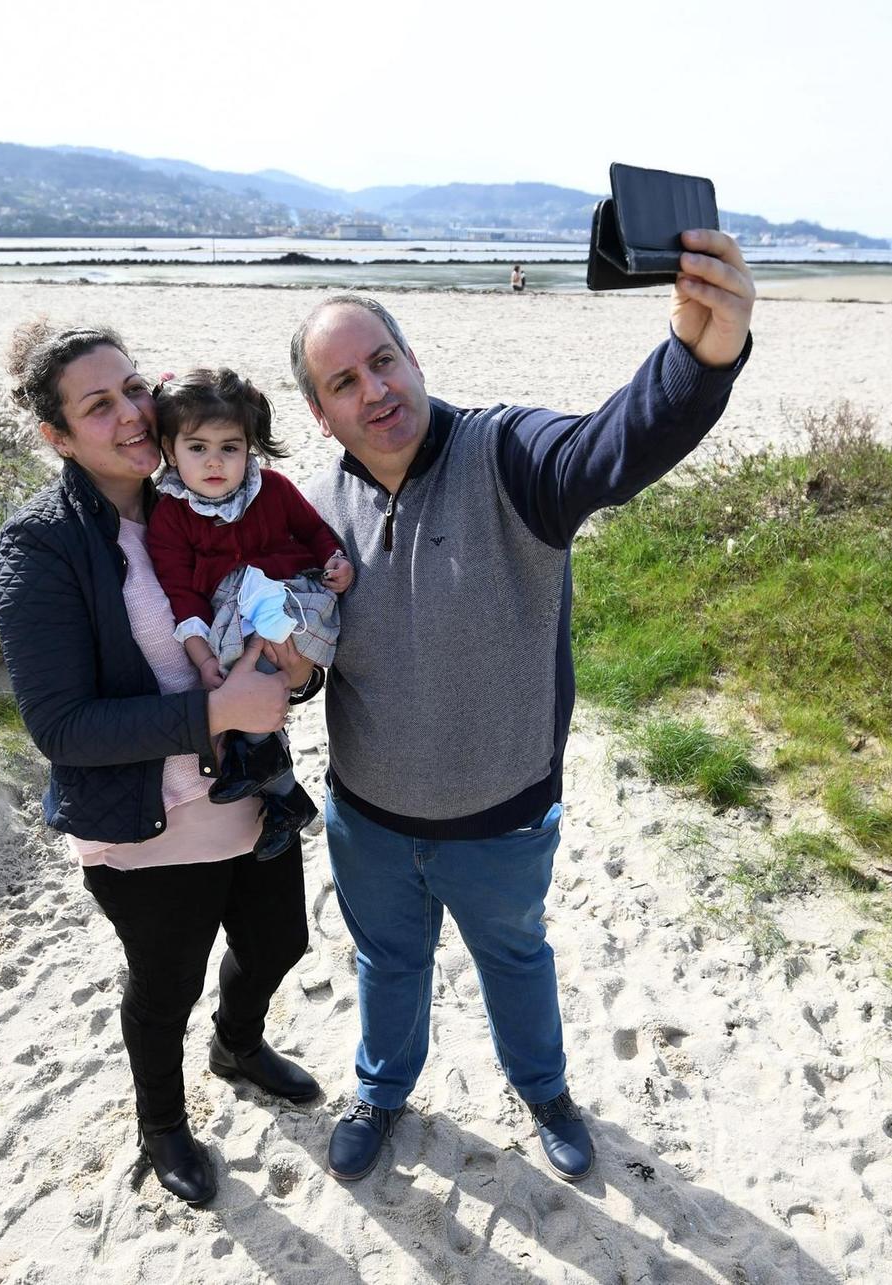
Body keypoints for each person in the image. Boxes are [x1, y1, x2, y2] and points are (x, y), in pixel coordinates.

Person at [287, 227, 754, 1184]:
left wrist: (699, 357)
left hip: (498, 818)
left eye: (384, 361)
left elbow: (609, 448)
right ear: (320, 412)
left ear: (415, 360)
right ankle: (381, 1090)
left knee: (515, 961)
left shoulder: (506, 457)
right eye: (345, 383)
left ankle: (544, 1089)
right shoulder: (309, 507)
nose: (375, 390)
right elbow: (299, 655)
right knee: (387, 965)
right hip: (366, 814)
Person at [0, 318, 325, 1208]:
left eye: (134, 387)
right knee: (165, 980)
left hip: (249, 791)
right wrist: (213, 710)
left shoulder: (207, 493)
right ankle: (163, 1122)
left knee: (280, 940)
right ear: (56, 437)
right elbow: (60, 726)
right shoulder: (42, 546)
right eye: (100, 405)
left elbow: (279, 603)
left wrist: (302, 665)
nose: (133, 413)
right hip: (146, 820)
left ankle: (239, 1045)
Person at [146, 366, 354, 861]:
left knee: (251, 684)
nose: (214, 461)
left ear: (249, 448)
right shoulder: (170, 514)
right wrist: (200, 657)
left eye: (230, 447)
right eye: (197, 447)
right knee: (231, 687)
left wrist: (334, 560)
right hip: (228, 618)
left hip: (290, 599)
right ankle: (284, 797)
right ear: (170, 451)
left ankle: (262, 763)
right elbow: (180, 590)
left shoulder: (273, 489)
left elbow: (313, 530)